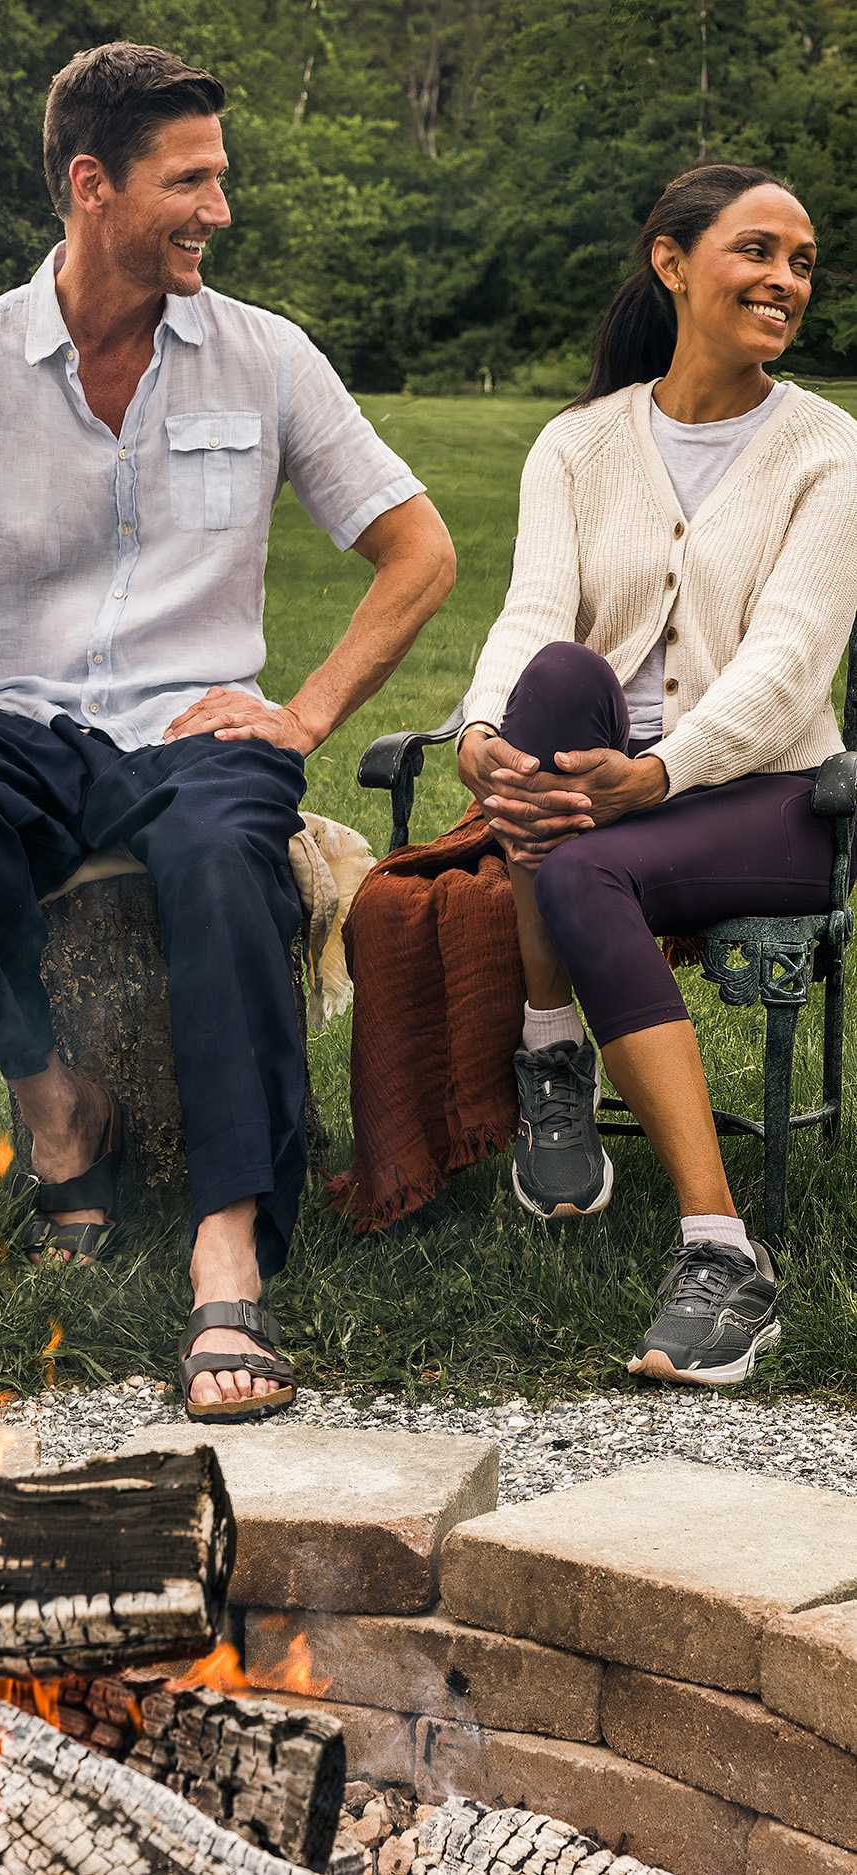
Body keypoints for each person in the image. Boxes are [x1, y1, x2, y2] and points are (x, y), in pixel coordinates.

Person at [0, 43, 455, 1422]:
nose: (218, 211)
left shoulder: (266, 355)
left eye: (220, 179)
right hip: (24, 727)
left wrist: (301, 714)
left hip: (200, 731)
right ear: (90, 185)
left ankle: (226, 1248)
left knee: (225, 869)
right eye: (190, 182)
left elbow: (419, 551)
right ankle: (59, 1103)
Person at [455, 163, 857, 1385]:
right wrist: (480, 736)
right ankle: (549, 1048)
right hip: (594, 775)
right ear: (674, 263)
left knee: (579, 872)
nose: (785, 280)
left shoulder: (829, 450)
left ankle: (722, 1250)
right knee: (563, 671)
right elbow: (530, 612)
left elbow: (789, 664)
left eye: (801, 262)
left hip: (769, 799)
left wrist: (664, 773)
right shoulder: (578, 445)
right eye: (757, 251)